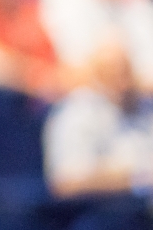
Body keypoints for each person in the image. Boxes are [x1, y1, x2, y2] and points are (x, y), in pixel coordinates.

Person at [43, 38, 153, 198]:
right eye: (110, 72)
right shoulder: (77, 113)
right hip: (104, 211)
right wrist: (134, 178)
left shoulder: (146, 107)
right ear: (95, 74)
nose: (121, 82)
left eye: (125, 71)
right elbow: (66, 182)